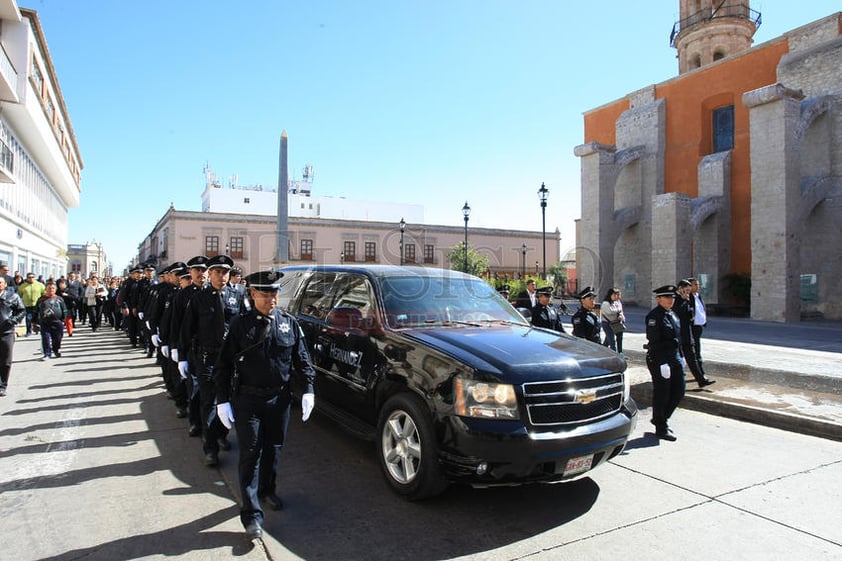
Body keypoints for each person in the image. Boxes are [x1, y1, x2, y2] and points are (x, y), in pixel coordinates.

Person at [214, 270, 316, 540]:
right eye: (264, 293)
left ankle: (267, 490)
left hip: (279, 400)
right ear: (252, 294)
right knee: (250, 454)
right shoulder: (240, 325)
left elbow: (302, 359)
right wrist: (222, 400)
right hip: (247, 400)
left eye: (274, 293)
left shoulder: (288, 323)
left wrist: (308, 389)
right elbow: (223, 366)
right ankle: (252, 516)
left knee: (274, 450)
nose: (270, 298)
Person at [179, 254, 247, 467]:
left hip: (231, 359)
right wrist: (182, 357)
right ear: (210, 273)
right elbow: (186, 329)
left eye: (225, 272)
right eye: (217, 271)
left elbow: (245, 327)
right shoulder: (198, 299)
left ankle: (221, 433)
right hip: (207, 358)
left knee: (230, 400)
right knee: (209, 403)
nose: (222, 276)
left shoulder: (236, 296)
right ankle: (210, 448)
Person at [170, 256, 208, 438]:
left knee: (216, 394)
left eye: (203, 269)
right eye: (197, 270)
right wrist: (179, 351)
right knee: (196, 389)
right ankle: (195, 423)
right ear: (190, 273)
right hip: (193, 349)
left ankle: (218, 433)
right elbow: (177, 324)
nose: (201, 273)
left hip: (216, 351)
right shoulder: (183, 295)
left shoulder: (216, 293)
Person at [645, 284, 685, 441]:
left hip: (674, 358)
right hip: (659, 359)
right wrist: (662, 362)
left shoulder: (672, 315)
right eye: (667, 297)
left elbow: (678, 339)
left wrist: (681, 356)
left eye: (672, 297)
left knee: (679, 391)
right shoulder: (654, 317)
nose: (671, 300)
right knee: (662, 394)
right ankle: (661, 427)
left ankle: (659, 418)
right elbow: (654, 343)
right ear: (658, 299)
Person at [674, 280, 715, 388]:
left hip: (688, 334)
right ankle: (677, 380)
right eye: (686, 290)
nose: (688, 293)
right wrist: (683, 301)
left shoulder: (686, 298)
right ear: (680, 288)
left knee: (692, 357)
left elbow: (689, 314)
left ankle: (701, 380)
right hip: (678, 335)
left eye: (689, 290)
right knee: (679, 359)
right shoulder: (674, 298)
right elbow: (676, 313)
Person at [0, 276, 25, 396]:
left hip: (6, 332)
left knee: (5, 360)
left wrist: (12, 321)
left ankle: (3, 385)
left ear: (5, 284)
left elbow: (21, 311)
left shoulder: (12, 296)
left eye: (0, 283)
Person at [36, 282, 68, 360]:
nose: (51, 290)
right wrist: (34, 322)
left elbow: (65, 310)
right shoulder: (41, 299)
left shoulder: (59, 299)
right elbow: (36, 310)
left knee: (57, 338)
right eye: (49, 288)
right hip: (45, 322)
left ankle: (56, 350)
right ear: (46, 289)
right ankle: (47, 354)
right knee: (46, 338)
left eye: (53, 288)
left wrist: (64, 320)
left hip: (57, 322)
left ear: (55, 289)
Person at [688, 278, 708, 377]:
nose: (697, 286)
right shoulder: (688, 298)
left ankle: (700, 373)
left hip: (699, 326)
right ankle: (700, 374)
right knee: (695, 351)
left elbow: (701, 309)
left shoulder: (698, 296)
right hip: (692, 328)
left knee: (697, 349)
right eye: (695, 284)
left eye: (698, 284)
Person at [18, 272, 45, 336]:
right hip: (27, 305)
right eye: (29, 277)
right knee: (28, 318)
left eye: (32, 277)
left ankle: (38, 329)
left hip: (37, 305)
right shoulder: (23, 286)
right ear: (27, 278)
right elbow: (19, 295)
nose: (31, 279)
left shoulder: (40, 285)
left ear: (35, 278)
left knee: (38, 318)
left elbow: (44, 293)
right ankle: (28, 331)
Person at [600, 288, 626, 354]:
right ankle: (614, 354)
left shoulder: (617, 302)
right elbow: (610, 311)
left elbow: (621, 311)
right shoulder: (606, 303)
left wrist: (621, 315)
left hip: (616, 323)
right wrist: (618, 310)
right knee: (612, 340)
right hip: (607, 324)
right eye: (614, 295)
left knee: (611, 340)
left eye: (618, 295)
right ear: (610, 295)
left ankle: (620, 353)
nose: (617, 297)